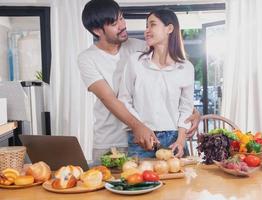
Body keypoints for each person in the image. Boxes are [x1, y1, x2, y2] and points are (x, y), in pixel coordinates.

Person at [78, 0, 200, 160]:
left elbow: (168, 82)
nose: (122, 25)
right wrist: (138, 127)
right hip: (111, 140)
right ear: (97, 31)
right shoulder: (87, 58)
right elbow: (110, 99)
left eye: (121, 18)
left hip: (148, 137)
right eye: (115, 23)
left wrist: (194, 113)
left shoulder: (140, 47)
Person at [118, 9, 194, 158]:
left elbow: (186, 108)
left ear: (169, 29)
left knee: (179, 181)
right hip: (142, 138)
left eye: (152, 25)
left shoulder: (186, 67)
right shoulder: (135, 61)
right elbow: (124, 99)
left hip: (174, 139)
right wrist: (139, 127)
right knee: (140, 180)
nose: (147, 30)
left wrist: (181, 139)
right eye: (146, 26)